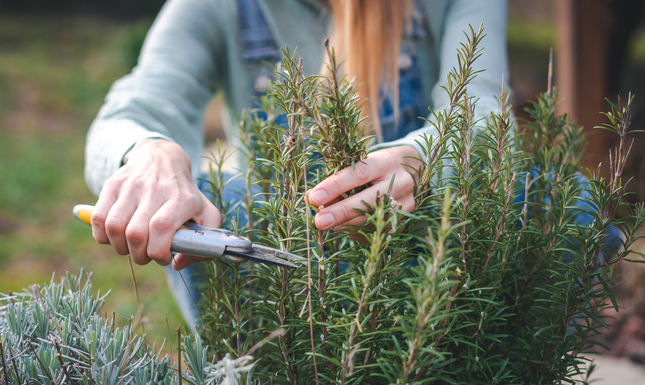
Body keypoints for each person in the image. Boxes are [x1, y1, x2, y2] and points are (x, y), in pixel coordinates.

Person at [84, 0, 510, 324]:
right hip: (280, 279)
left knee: (561, 198)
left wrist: (427, 159)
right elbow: (134, 110)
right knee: (219, 199)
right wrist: (150, 152)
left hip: (428, 264)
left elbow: (485, 111)